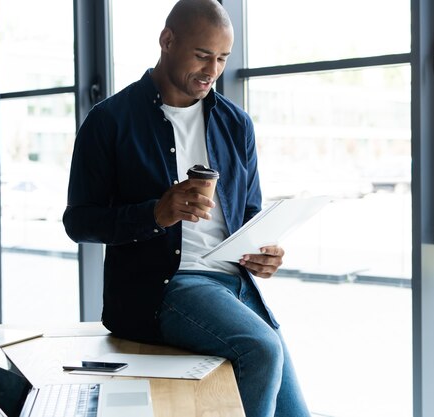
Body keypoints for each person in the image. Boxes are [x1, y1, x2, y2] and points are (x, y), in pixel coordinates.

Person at [62, 1, 311, 416]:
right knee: (262, 349)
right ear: (167, 40)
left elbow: (248, 213)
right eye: (202, 55)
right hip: (166, 286)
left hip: (236, 287)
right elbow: (79, 222)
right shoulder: (110, 120)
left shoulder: (236, 124)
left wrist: (264, 253)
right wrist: (154, 214)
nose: (212, 70)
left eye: (222, 58)